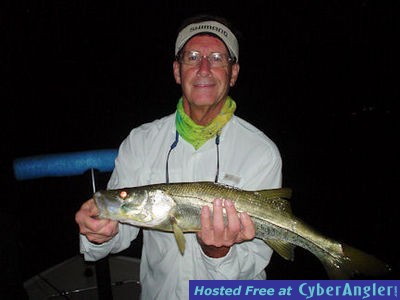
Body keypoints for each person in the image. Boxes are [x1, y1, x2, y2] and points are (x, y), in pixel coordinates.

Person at [75, 14, 282, 299]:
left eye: (218, 58)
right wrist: (98, 233)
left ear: (233, 73)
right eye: (193, 57)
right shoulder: (141, 141)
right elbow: (119, 230)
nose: (204, 68)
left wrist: (218, 254)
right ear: (177, 70)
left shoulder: (261, 152)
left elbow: (254, 262)